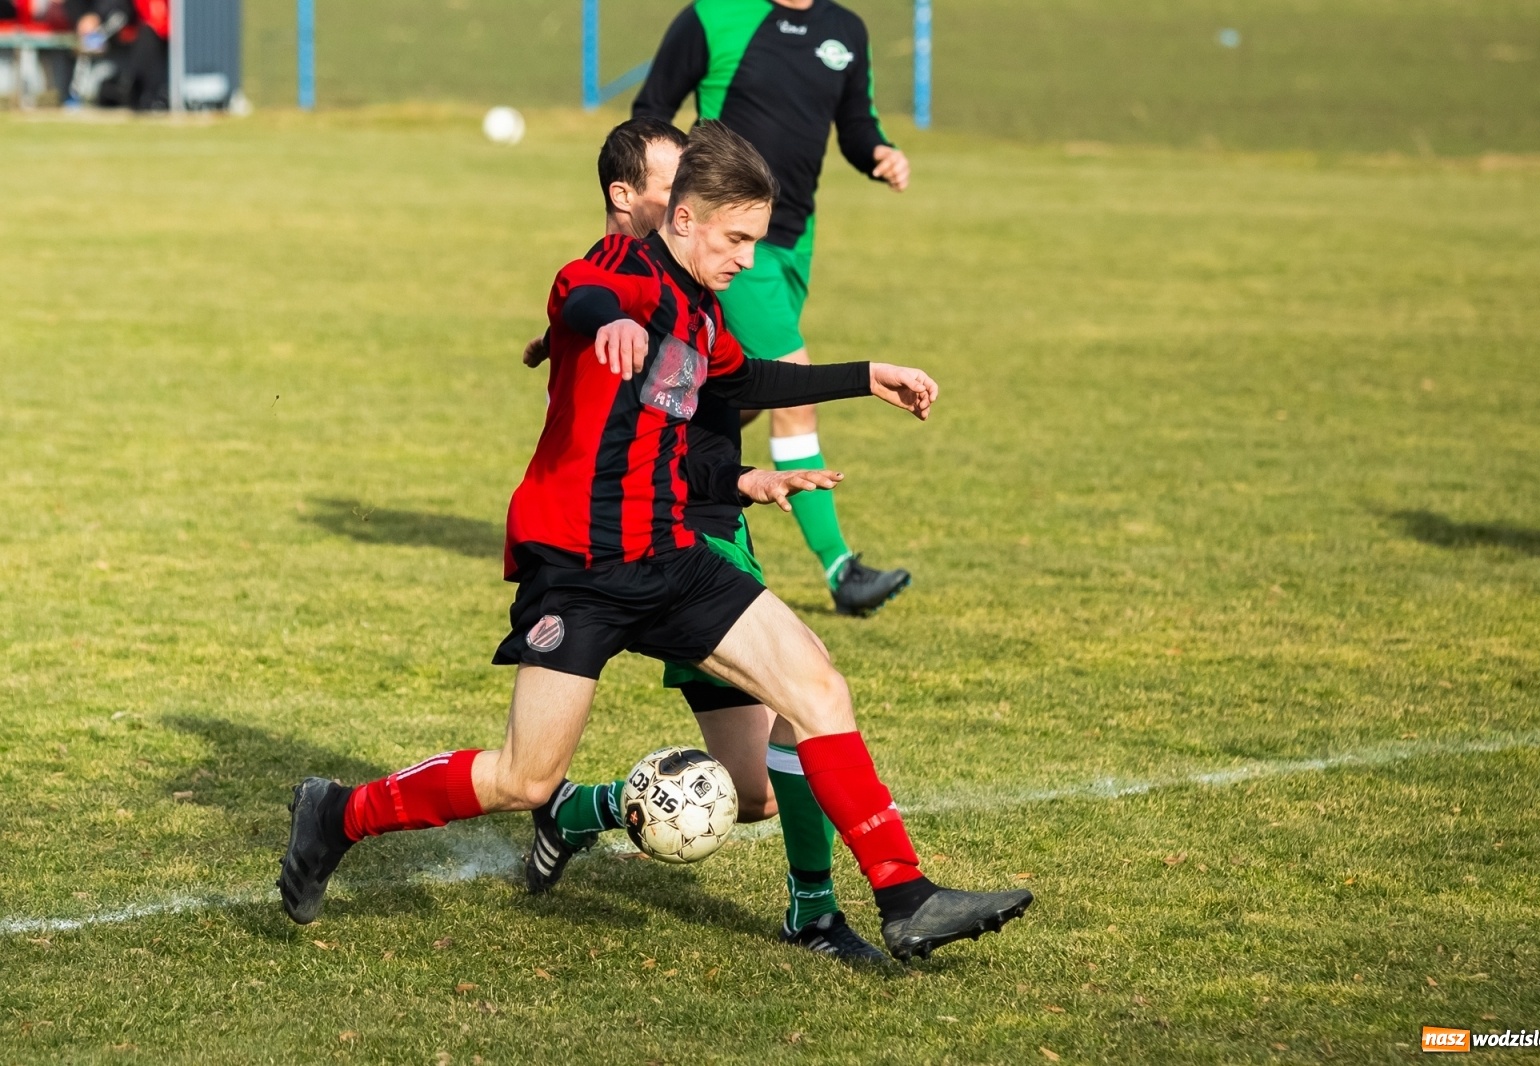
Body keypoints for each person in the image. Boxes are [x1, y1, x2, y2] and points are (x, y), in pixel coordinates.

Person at [278, 122, 1031, 961]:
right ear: (682, 219)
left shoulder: (702, 313)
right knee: (525, 777)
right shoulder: (609, 277)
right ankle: (337, 813)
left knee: (816, 685)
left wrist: (866, 376)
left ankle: (904, 895)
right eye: (736, 237)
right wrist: (613, 327)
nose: (747, 257)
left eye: (756, 239)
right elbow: (580, 300)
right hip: (580, 571)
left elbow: (747, 380)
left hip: (672, 557)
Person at [524, 118, 885, 962]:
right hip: (648, 540)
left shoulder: (694, 293)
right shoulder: (617, 282)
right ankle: (818, 912)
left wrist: (745, 471)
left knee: (754, 793)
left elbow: (728, 382)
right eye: (670, 181)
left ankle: (583, 811)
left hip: (707, 528)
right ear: (640, 202)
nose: (683, 193)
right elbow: (590, 310)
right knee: (811, 697)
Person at [633, 0, 915, 618]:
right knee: (795, 388)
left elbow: (856, 122)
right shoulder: (714, 16)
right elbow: (651, 112)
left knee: (732, 391)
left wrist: (880, 154)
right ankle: (841, 570)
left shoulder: (846, 30)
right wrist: (682, 201)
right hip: (723, 241)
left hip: (792, 242)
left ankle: (646, 480)